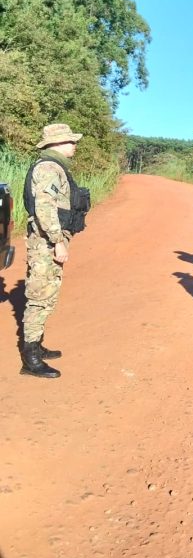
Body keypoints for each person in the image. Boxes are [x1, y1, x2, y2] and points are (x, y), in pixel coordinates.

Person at [20, 123, 91, 379]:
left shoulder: (55, 166)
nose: (74, 145)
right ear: (57, 144)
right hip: (46, 240)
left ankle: (36, 345)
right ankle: (31, 360)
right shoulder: (49, 168)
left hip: (48, 239)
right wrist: (57, 240)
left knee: (48, 292)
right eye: (70, 142)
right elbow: (45, 207)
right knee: (40, 296)